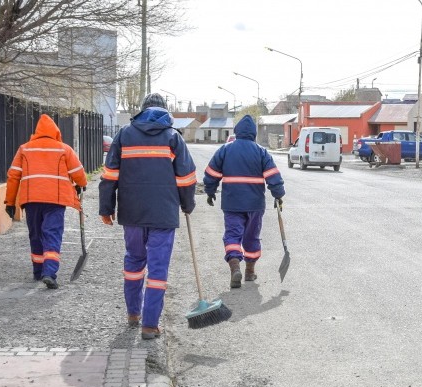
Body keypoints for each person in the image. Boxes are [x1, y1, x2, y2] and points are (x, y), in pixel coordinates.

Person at [99, 93, 196, 339]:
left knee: (133, 262)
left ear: (142, 111)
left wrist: (106, 208)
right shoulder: (173, 137)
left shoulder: (124, 135)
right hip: (163, 215)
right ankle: (150, 325)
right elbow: (186, 178)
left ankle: (133, 314)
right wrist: (187, 204)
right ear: (165, 111)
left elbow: (110, 175)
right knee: (158, 269)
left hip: (132, 213)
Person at [5, 114, 88, 289]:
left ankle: (38, 270)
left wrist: (10, 202)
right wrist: (81, 184)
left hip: (31, 199)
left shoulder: (24, 149)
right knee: (52, 233)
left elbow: (13, 176)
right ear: (56, 132)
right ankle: (49, 272)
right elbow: (78, 172)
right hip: (55, 201)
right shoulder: (64, 149)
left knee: (35, 234)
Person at [203, 114, 285, 288]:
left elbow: (211, 173)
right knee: (251, 237)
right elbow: (272, 175)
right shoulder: (261, 152)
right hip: (255, 205)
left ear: (237, 132)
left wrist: (210, 191)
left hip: (232, 203)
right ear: (254, 134)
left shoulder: (225, 150)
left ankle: (234, 268)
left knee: (232, 235)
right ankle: (249, 271)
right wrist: (278, 195)